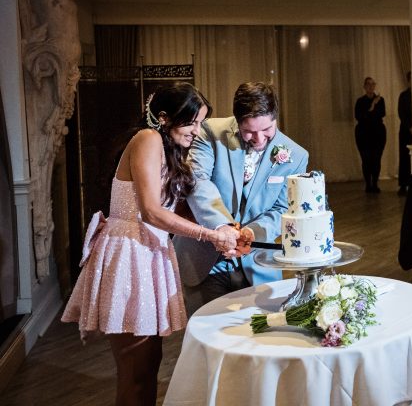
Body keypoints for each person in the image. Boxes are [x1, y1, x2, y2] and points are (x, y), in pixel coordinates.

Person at [61, 83, 246, 406]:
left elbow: (178, 209)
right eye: (191, 122)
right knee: (135, 372)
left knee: (148, 366)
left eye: (200, 123)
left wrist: (226, 229)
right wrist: (210, 236)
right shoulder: (146, 139)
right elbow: (150, 210)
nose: (196, 131)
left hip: (149, 255)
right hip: (130, 256)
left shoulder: (168, 149)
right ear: (163, 118)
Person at [174, 81, 308, 315]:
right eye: (249, 131)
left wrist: (250, 234)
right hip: (204, 257)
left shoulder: (295, 155)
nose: (258, 139)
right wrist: (223, 227)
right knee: (210, 333)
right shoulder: (210, 132)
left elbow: (282, 210)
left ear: (275, 117)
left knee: (257, 337)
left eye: (266, 130)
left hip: (258, 264)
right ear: (237, 120)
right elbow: (197, 180)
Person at [354, 76, 386, 193]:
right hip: (363, 134)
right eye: (368, 84)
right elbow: (359, 116)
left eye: (373, 84)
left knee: (377, 159)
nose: (371, 86)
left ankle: (375, 184)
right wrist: (372, 106)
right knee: (366, 159)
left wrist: (369, 113)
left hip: (378, 133)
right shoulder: (360, 101)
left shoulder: (381, 100)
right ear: (364, 87)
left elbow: (381, 114)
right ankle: (368, 184)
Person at [397, 72, 412, 196]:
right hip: (405, 131)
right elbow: (401, 113)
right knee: (404, 157)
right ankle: (403, 185)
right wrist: (410, 127)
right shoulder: (403, 95)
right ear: (408, 81)